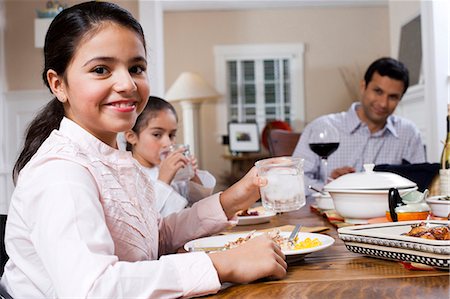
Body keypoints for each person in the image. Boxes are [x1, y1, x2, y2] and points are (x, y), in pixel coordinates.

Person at [1, 2, 287, 298]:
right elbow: (93, 289)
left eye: (136, 68)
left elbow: (152, 237)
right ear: (58, 84)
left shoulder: (112, 158)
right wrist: (221, 264)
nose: (127, 83)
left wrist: (231, 199)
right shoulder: (61, 174)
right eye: (101, 70)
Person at [293, 57, 426, 195]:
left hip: (386, 214)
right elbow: (295, 180)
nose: (383, 103)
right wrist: (331, 187)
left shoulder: (408, 133)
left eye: (392, 97)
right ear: (363, 87)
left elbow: (418, 185)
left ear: (400, 99)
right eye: (378, 91)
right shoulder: (321, 127)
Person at [125, 96, 216, 216]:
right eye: (157, 134)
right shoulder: (127, 174)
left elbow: (199, 204)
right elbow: (144, 219)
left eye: (172, 135)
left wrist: (192, 176)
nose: (168, 143)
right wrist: (163, 180)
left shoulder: (175, 173)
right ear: (132, 137)